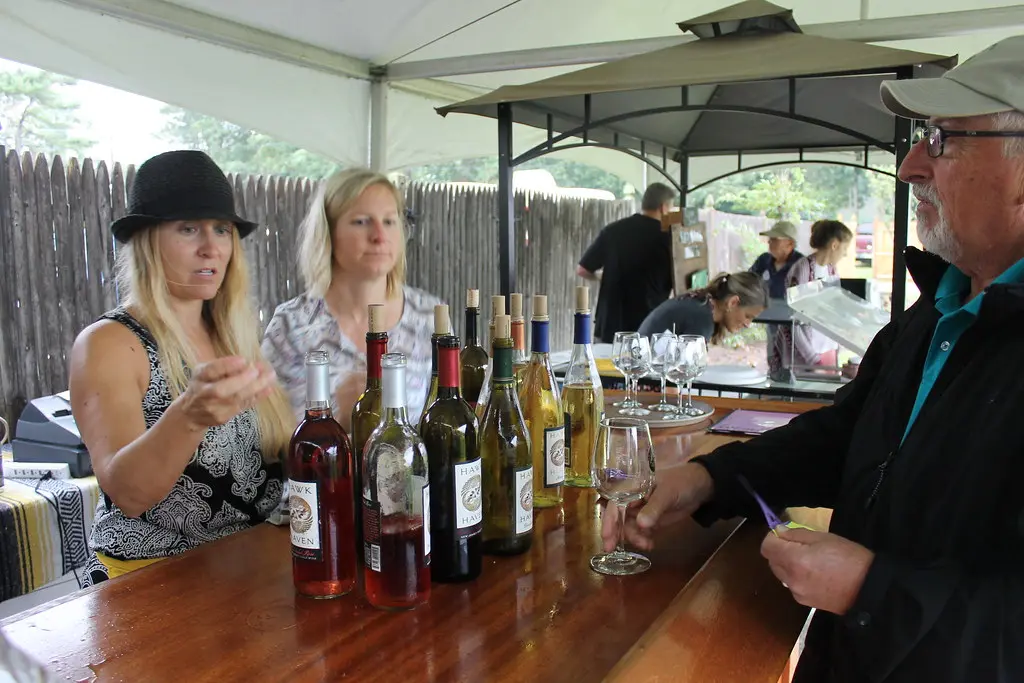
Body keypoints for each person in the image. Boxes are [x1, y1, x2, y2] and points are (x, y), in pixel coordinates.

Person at [601, 34, 1024, 682]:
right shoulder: (937, 309)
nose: (911, 164)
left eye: (941, 138)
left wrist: (869, 588)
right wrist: (711, 478)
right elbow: (845, 438)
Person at [69, 150, 293, 585]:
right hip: (149, 582)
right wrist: (188, 416)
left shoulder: (235, 336)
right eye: (188, 228)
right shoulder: (110, 343)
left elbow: (272, 461)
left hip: (246, 572)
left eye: (222, 230)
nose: (211, 246)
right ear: (148, 241)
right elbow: (129, 493)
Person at [262, 168, 442, 427]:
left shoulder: (429, 317)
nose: (379, 236)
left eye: (390, 221)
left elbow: (443, 431)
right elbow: (269, 442)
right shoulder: (290, 326)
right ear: (328, 234)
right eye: (361, 221)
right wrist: (337, 415)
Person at [577, 183, 675, 343]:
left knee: (604, 368)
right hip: (649, 327)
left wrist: (600, 277)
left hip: (609, 325)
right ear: (663, 208)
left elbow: (582, 269)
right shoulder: (669, 238)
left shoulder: (613, 231)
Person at [769, 219, 853, 376]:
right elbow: (793, 319)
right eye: (845, 248)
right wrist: (812, 360)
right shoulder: (801, 269)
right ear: (834, 245)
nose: (845, 253)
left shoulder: (832, 271)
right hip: (805, 355)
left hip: (827, 349)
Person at [636, 271, 768, 343]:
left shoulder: (701, 303)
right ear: (733, 302)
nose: (747, 324)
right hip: (642, 383)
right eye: (748, 316)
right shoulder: (702, 319)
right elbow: (681, 376)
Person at [749, 220, 804, 299]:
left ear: (790, 243)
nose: (769, 242)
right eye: (770, 238)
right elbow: (748, 283)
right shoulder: (763, 260)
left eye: (774, 239)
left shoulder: (802, 265)